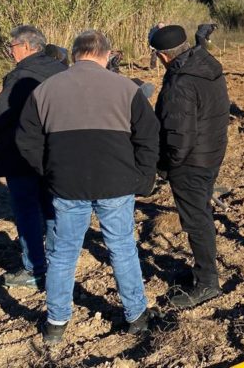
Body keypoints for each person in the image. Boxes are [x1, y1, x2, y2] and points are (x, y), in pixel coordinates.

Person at [17, 30, 159, 344]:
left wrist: (49, 171)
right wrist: (144, 178)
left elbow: (27, 141)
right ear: (106, 55)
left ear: (74, 55)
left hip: (67, 185)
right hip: (117, 183)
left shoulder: (45, 90)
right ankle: (137, 316)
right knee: (122, 248)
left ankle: (56, 322)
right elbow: (149, 136)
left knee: (63, 253)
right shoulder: (127, 88)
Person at [150, 25, 230, 308]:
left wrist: (165, 166)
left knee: (196, 220)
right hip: (211, 152)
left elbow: (178, 136)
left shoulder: (180, 83)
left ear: (163, 56)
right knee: (201, 214)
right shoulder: (206, 66)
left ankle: (207, 283)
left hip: (190, 163)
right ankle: (203, 271)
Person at [0, 25, 67, 290]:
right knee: (53, 208)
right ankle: (57, 264)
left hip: (22, 155)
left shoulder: (20, 76)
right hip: (56, 152)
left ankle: (35, 268)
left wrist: (7, 137)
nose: (10, 52)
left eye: (12, 47)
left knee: (27, 210)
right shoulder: (61, 71)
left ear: (27, 46)